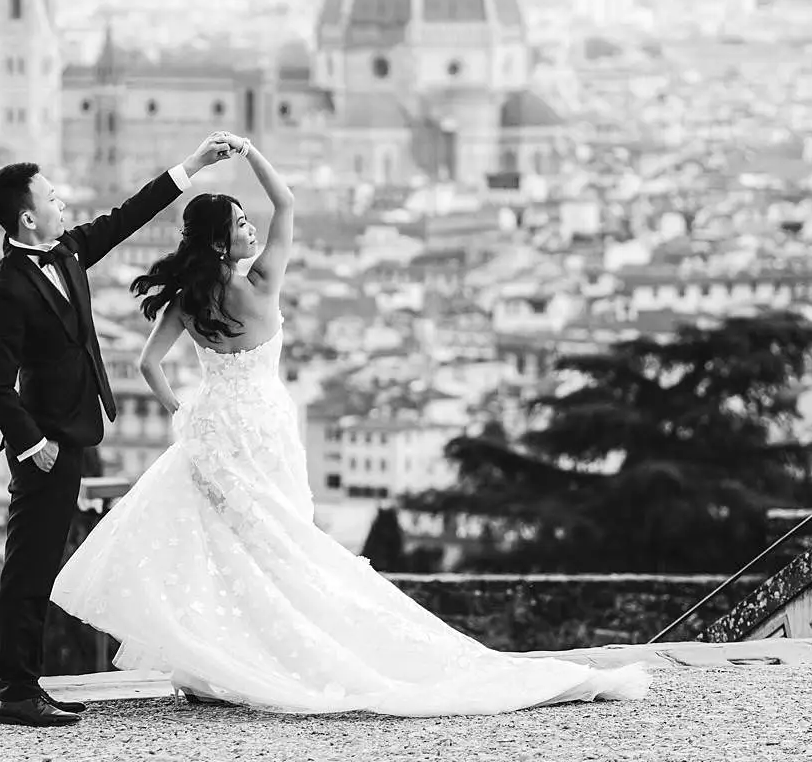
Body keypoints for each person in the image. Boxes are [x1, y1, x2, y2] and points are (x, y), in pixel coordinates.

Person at [51, 133, 652, 716]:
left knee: (227, 547)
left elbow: (148, 363)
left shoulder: (186, 298)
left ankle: (222, 658)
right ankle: (270, 654)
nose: (250, 228)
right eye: (239, 224)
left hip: (213, 425)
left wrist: (183, 411)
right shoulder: (262, 282)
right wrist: (250, 153)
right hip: (263, 422)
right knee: (283, 545)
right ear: (221, 243)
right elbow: (286, 201)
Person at [0, 132, 237, 727]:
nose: (60, 201)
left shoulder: (66, 253)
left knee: (38, 563)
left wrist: (192, 166)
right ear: (27, 215)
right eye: (50, 195)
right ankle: (16, 693)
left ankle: (23, 687)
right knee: (29, 566)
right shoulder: (9, 286)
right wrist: (32, 444)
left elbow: (127, 217)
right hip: (45, 445)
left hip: (74, 432)